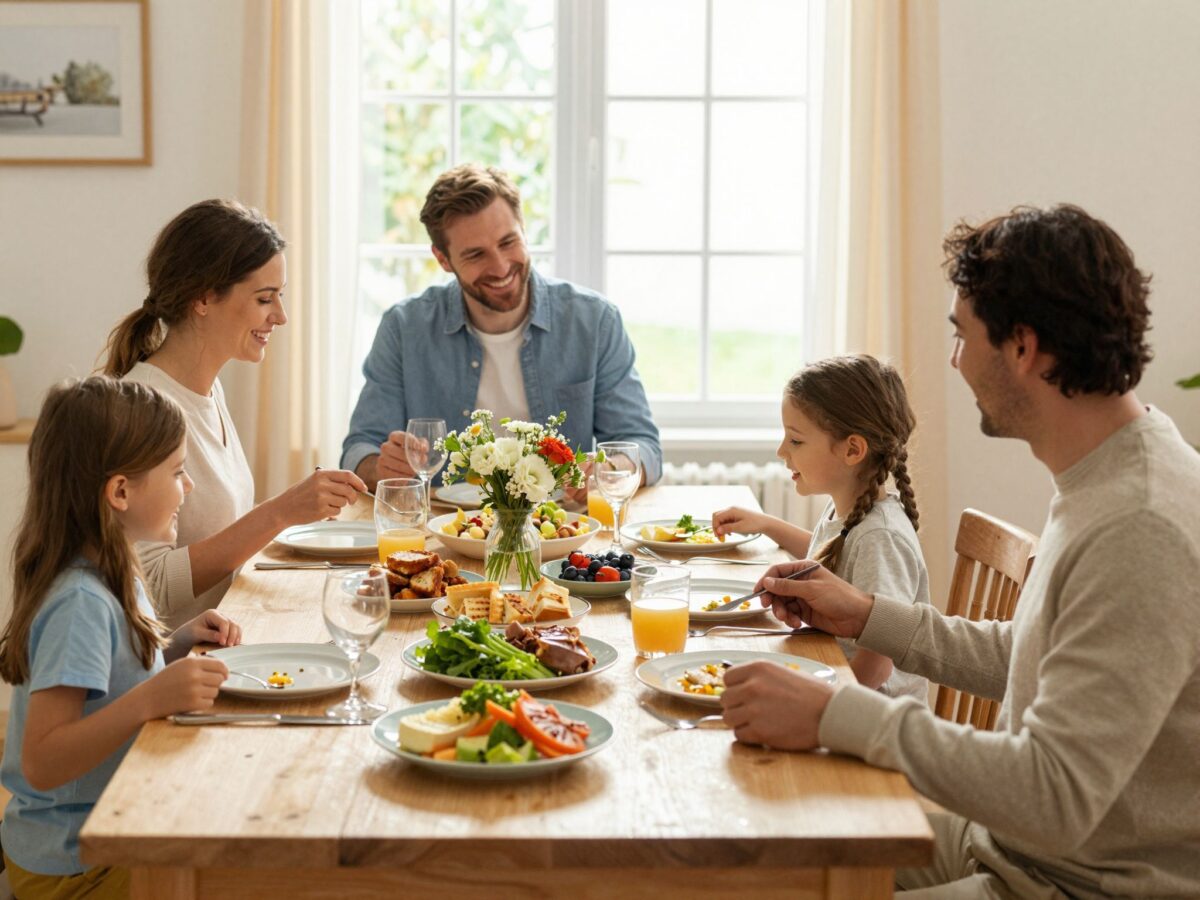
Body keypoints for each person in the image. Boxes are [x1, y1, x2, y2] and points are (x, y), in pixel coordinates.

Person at [721, 204, 1200, 898]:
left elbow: (1054, 795)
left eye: (961, 333)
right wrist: (865, 614)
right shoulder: (1107, 473)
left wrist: (837, 715)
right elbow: (1030, 656)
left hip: (1067, 884)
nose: (954, 358)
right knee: (756, 851)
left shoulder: (1140, 524)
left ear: (1023, 347)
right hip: (1006, 849)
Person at [0, 377, 237, 896]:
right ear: (121, 492)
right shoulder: (80, 600)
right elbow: (42, 761)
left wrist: (175, 643)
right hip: (74, 860)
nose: (189, 487)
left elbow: (106, 676)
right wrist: (151, 698)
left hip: (106, 829)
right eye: (177, 472)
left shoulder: (113, 565)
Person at [103, 199, 366, 628]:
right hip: (179, 669)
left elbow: (211, 529)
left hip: (229, 637)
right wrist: (280, 511)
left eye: (279, 296)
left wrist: (298, 508)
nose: (280, 316)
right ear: (204, 298)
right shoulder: (143, 408)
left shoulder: (207, 391)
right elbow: (149, 584)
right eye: (265, 298)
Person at [340, 164, 662, 496]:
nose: (501, 267)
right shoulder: (404, 328)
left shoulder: (594, 321)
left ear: (523, 230)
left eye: (508, 242)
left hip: (559, 532)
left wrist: (609, 469)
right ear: (443, 259)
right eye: (476, 254)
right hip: (443, 533)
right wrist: (381, 467)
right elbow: (358, 450)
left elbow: (644, 447)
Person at [712, 354, 929, 700]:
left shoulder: (881, 538)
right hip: (837, 684)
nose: (781, 451)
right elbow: (829, 554)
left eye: (795, 440)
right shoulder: (850, 511)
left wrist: (815, 707)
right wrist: (766, 524)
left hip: (869, 721)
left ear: (852, 450)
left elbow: (877, 666)